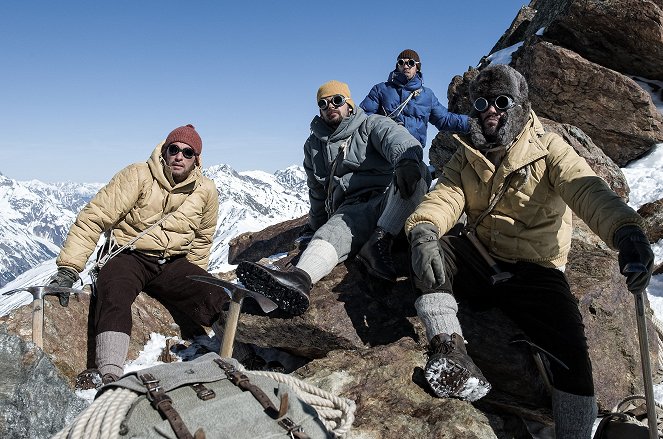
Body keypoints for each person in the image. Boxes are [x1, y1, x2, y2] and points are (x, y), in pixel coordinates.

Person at [404, 64, 654, 438]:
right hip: (481, 253)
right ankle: (449, 350)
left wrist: (627, 232)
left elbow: (588, 192)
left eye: (501, 101)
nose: (491, 110)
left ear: (519, 105)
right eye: (482, 102)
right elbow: (446, 197)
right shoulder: (467, 153)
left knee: (569, 350)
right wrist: (424, 229)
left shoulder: (550, 148)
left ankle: (573, 432)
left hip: (536, 268)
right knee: (432, 255)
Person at [48, 124, 232, 384]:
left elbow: (203, 238)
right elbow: (94, 217)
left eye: (188, 153)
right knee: (114, 293)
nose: (179, 156)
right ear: (164, 151)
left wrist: (195, 280)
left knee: (213, 295)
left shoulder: (206, 190)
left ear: (196, 160)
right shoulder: (138, 175)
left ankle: (242, 351)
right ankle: (110, 373)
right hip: (129, 255)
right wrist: (68, 269)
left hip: (173, 262)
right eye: (174, 149)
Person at [236, 80, 430, 315]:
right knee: (331, 233)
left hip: (386, 201)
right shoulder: (313, 146)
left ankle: (379, 241)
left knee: (418, 172)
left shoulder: (371, 125)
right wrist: (315, 228)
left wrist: (407, 159)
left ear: (348, 103)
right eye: (323, 103)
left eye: (337, 100)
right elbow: (317, 193)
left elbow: (397, 138)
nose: (331, 106)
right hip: (350, 212)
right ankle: (298, 281)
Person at [360, 49, 469, 148]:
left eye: (410, 63)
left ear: (417, 67)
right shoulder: (381, 89)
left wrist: (470, 123)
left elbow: (445, 119)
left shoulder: (427, 95)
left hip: (412, 151)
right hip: (383, 152)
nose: (406, 66)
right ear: (397, 66)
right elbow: (364, 117)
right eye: (401, 62)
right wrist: (385, 127)